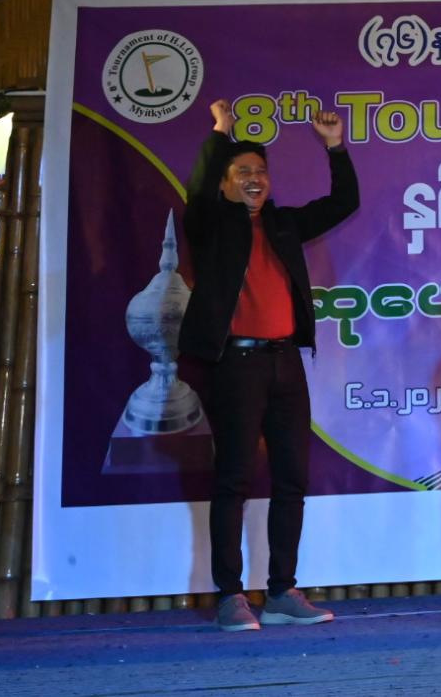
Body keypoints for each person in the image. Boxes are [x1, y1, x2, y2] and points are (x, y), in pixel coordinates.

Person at [179, 100, 358, 632]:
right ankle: (230, 595)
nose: (254, 179)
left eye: (260, 171)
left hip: (286, 363)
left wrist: (335, 146)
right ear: (225, 182)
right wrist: (220, 133)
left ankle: (281, 591)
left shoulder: (283, 224)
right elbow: (197, 191)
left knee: (292, 479)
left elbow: (344, 202)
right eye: (242, 172)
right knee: (233, 478)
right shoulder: (211, 223)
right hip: (235, 365)